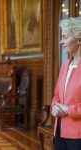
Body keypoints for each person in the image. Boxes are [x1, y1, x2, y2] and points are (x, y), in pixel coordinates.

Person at [51, 17, 81, 150]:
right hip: (59, 132)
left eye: (65, 37)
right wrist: (54, 107)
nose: (61, 41)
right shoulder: (65, 66)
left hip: (77, 136)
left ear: (79, 39)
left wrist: (68, 110)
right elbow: (56, 95)